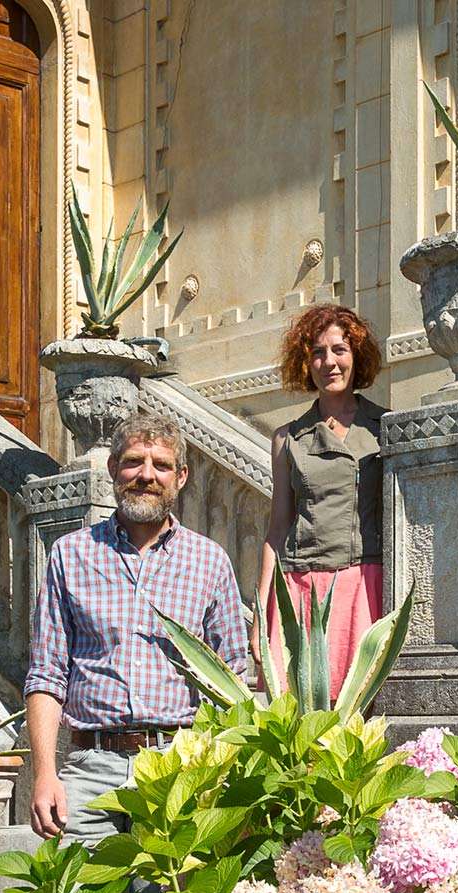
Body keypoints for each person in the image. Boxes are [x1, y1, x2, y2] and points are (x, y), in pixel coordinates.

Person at [26, 411, 252, 845]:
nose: (146, 475)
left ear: (181, 476)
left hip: (178, 769)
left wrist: (221, 774)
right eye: (133, 462)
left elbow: (232, 681)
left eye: (161, 465)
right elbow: (46, 675)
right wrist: (44, 775)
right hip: (89, 772)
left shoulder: (209, 562)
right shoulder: (70, 555)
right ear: (113, 469)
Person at [258, 304, 388, 697]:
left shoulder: (387, 428)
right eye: (318, 352)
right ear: (305, 362)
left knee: (362, 711)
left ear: (356, 357)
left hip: (365, 584)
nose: (328, 361)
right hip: (301, 588)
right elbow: (277, 526)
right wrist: (261, 613)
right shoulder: (287, 438)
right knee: (298, 713)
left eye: (339, 350)